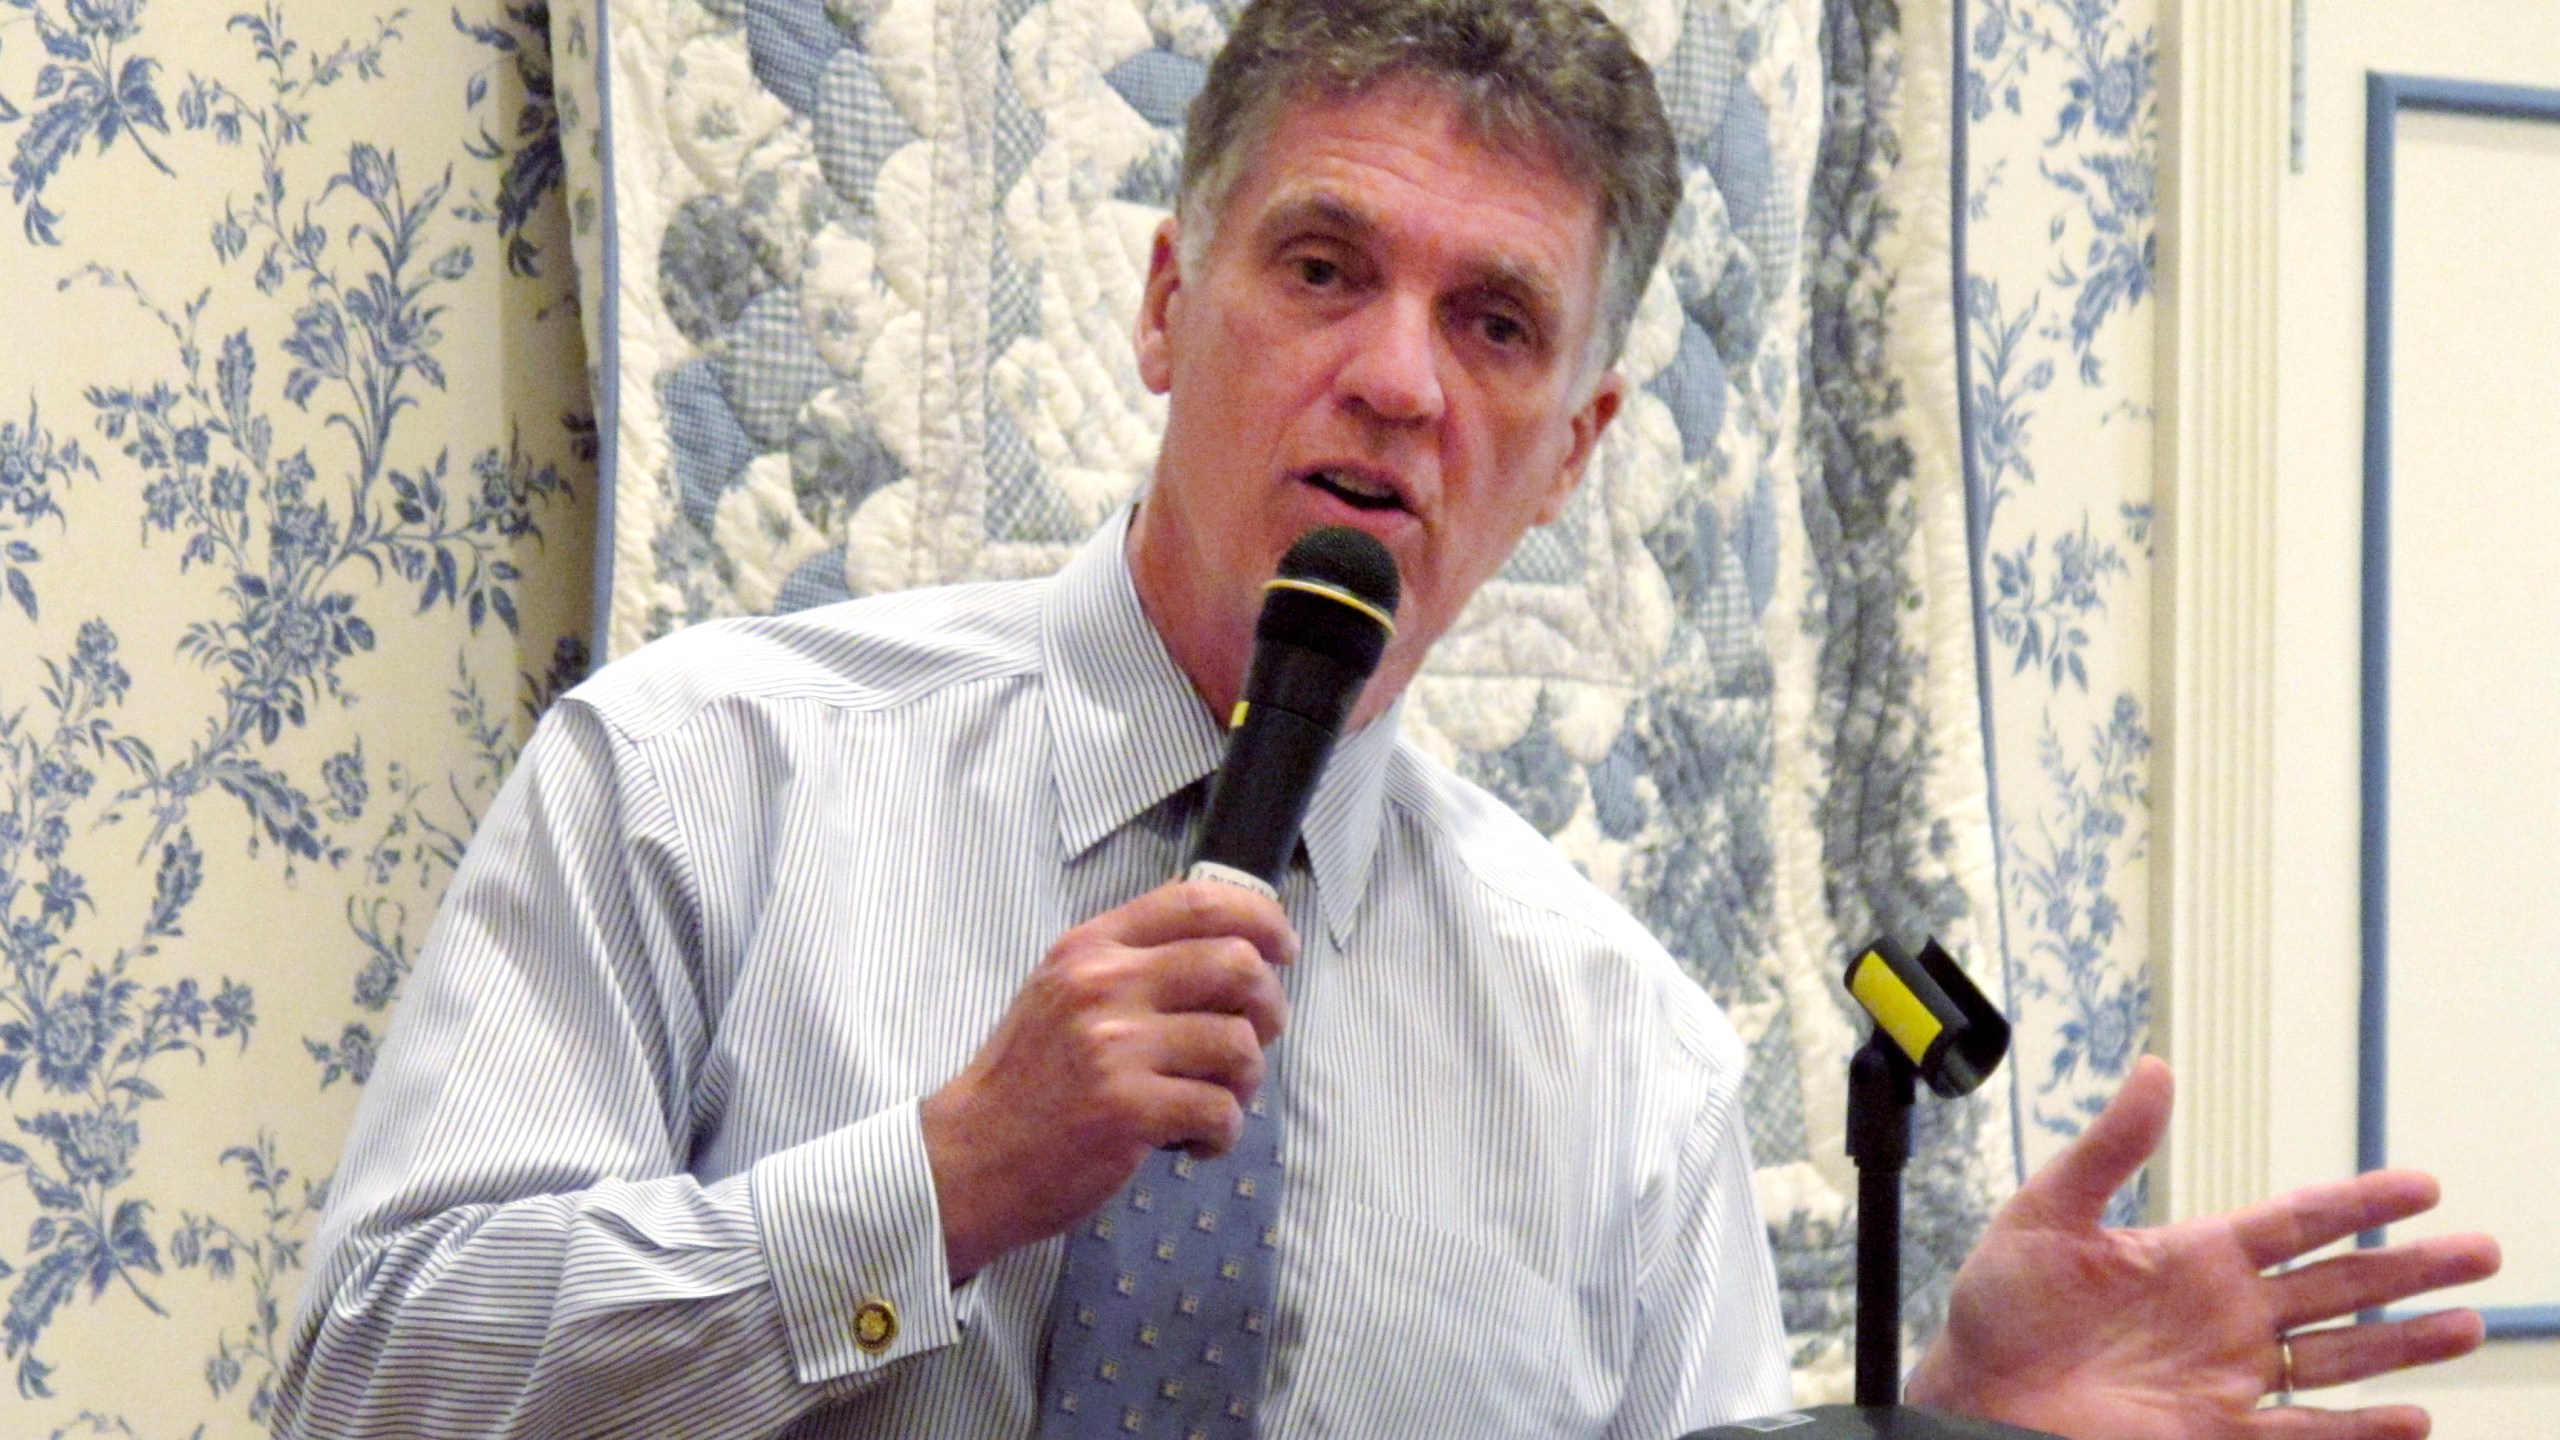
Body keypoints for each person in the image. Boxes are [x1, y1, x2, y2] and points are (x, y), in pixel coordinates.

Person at [278, 1, 2499, 1436]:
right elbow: (361, 1384)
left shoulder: (1616, 1055)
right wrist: (938, 1184)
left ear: (1575, 445)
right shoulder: (700, 777)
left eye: (1496, 323)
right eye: (1322, 268)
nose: (1396, 383)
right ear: (1169, 300)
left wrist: (1938, 1437)